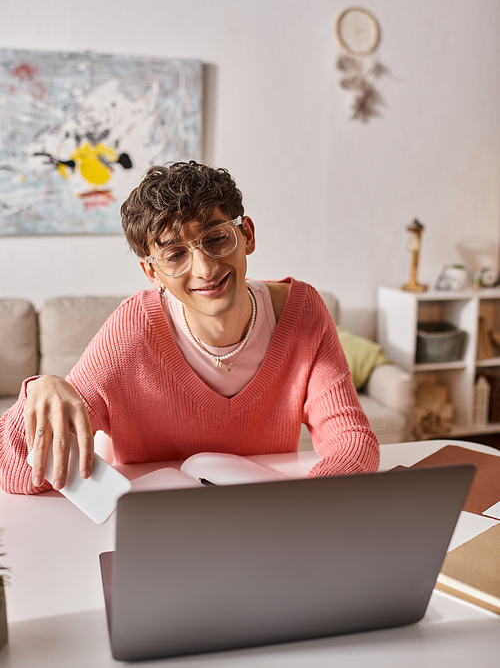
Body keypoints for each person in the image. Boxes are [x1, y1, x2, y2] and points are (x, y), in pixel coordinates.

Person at [0, 161, 379, 494]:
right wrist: (39, 389)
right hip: (156, 537)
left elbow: (350, 438)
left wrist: (312, 506)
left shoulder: (304, 311)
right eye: (175, 254)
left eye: (215, 238)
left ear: (245, 234)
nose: (205, 269)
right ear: (152, 271)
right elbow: (14, 472)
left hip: (265, 527)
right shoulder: (131, 332)